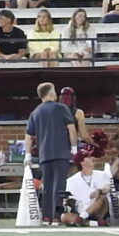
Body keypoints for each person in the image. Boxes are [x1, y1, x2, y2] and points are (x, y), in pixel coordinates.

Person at [24, 81, 75, 225]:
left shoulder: (35, 112)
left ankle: (46, 216)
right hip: (61, 153)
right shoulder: (62, 108)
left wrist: (28, 155)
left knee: (47, 185)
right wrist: (74, 148)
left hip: (44, 154)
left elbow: (29, 135)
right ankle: (56, 216)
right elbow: (71, 128)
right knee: (59, 186)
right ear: (51, 93)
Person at [63, 151, 116, 226]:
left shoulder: (102, 174)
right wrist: (67, 201)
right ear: (82, 162)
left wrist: (99, 190)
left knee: (102, 197)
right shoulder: (71, 181)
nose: (92, 158)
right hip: (81, 209)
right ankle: (92, 223)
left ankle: (81, 219)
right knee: (64, 217)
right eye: (88, 157)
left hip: (99, 209)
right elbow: (69, 199)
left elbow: (107, 187)